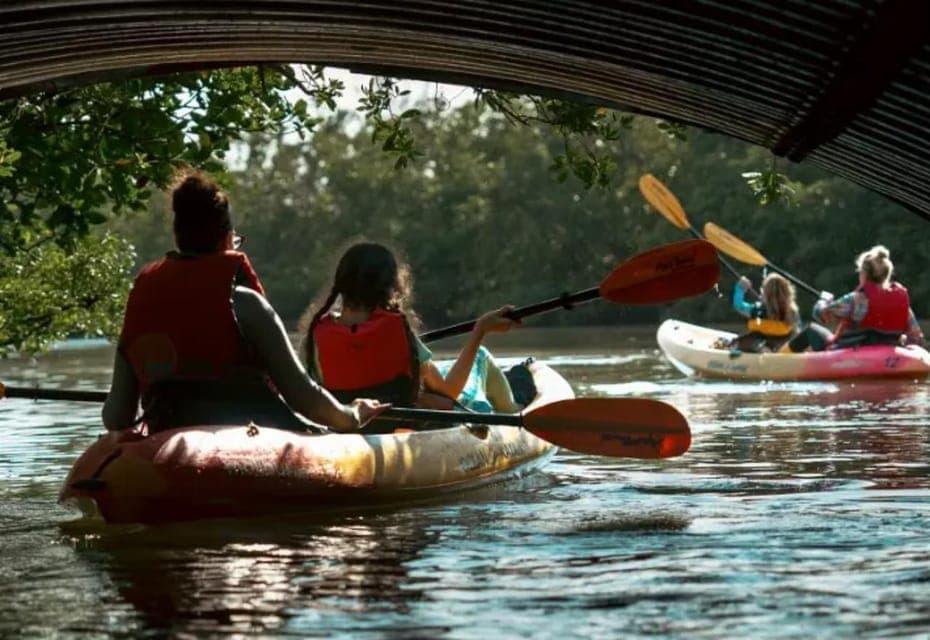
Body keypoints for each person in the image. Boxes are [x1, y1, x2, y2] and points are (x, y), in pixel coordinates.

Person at [103, 170, 385, 433]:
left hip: (165, 445)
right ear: (226, 239)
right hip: (248, 442)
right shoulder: (247, 306)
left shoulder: (144, 308)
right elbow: (305, 399)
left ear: (178, 238)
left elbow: (116, 417)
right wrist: (353, 415)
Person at [300, 241, 527, 420]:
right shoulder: (396, 329)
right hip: (404, 425)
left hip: (355, 428)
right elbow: (449, 392)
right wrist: (480, 330)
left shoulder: (316, 337)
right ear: (391, 286)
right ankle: (515, 410)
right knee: (480, 357)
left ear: (341, 284)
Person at [789, 245, 924, 352]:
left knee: (811, 330)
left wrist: (823, 301)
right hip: (888, 352)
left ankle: (778, 360)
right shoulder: (901, 302)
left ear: (864, 274)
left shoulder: (856, 299)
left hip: (851, 352)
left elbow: (821, 315)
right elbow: (916, 336)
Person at [727, 273, 800, 352]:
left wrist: (740, 288)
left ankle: (763, 349)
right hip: (783, 346)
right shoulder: (792, 310)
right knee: (792, 334)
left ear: (764, 292)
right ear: (787, 291)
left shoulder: (757, 309)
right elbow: (796, 331)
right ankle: (771, 349)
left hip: (760, 344)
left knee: (743, 341)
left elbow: (739, 305)